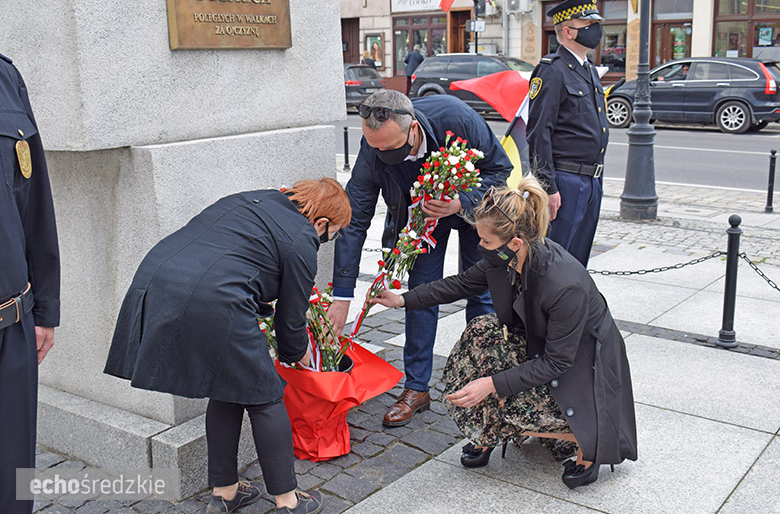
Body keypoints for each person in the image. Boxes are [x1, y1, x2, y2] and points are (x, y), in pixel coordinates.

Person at [370, 178, 637, 489]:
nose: (480, 247)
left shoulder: (565, 285)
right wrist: (401, 299)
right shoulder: (503, 258)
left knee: (509, 396)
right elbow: (460, 284)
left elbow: (557, 363)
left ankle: (587, 443)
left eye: (486, 241)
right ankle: (487, 431)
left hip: (582, 368)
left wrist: (492, 384)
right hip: (540, 346)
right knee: (482, 330)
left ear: (515, 243)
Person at [105, 178, 350, 514]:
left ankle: (225, 493)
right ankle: (288, 502)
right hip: (215, 300)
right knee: (266, 398)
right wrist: (299, 354)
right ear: (321, 223)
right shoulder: (302, 239)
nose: (328, 239)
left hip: (157, 278)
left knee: (227, 387)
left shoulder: (250, 199)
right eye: (333, 233)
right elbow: (291, 317)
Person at [326, 90, 512, 427]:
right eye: (375, 148)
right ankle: (416, 388)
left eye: (389, 149)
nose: (381, 155)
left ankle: (479, 377)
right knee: (419, 294)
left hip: (472, 214)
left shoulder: (457, 118)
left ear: (412, 129)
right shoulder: (373, 148)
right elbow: (355, 219)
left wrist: (460, 202)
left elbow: (499, 172)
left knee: (480, 291)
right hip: (422, 222)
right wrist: (342, 295)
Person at [0, 53, 60, 514]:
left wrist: (45, 308)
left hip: (11, 325)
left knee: (13, 485)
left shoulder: (5, 75)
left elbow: (35, 201)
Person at [526, 0, 610, 267]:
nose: (595, 29)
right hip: (565, 181)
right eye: (587, 23)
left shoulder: (589, 70)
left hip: (591, 179)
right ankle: (545, 310)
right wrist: (547, 187)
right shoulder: (552, 70)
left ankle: (571, 309)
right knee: (555, 261)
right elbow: (539, 133)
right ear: (568, 31)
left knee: (578, 260)